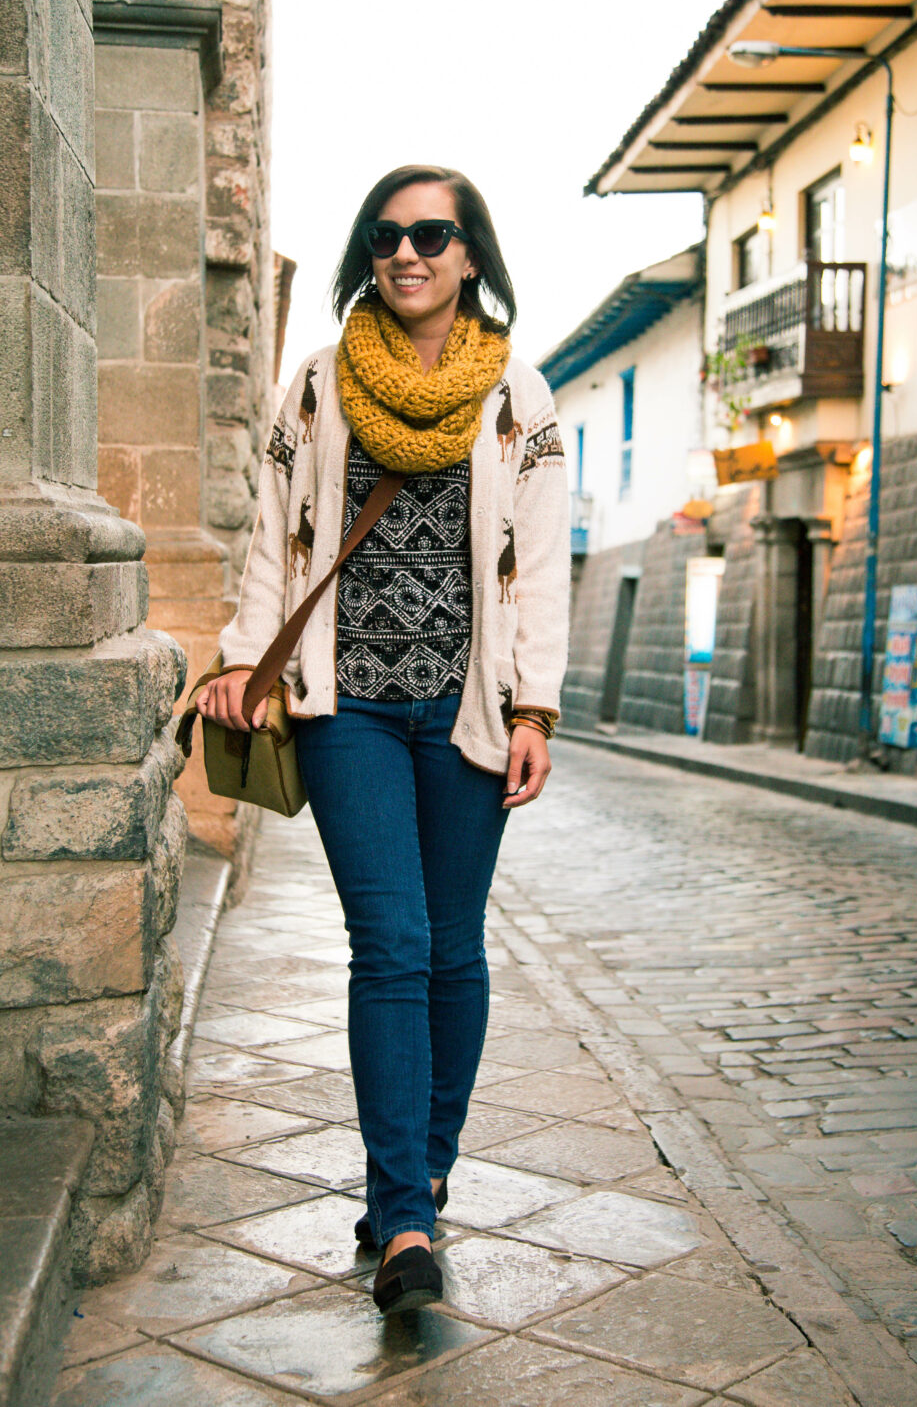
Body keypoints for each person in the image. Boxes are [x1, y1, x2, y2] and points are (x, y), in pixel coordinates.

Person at [195, 165, 570, 1314]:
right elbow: (276, 540)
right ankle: (405, 1214)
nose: (406, 251)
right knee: (391, 945)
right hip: (345, 705)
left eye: (432, 234)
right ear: (371, 252)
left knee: (453, 950)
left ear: (470, 256)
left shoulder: (520, 394)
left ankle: (426, 1167)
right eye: (387, 234)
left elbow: (542, 569)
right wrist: (242, 658)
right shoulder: (313, 387)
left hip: (464, 708)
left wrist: (535, 708)